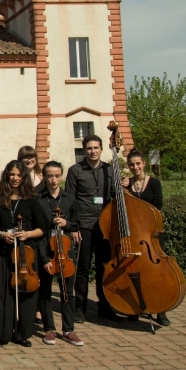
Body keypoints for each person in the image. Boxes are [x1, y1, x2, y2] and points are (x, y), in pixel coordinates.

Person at [0, 160, 49, 347]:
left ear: (24, 177)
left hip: (26, 253)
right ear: (7, 176)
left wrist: (27, 234)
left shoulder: (31, 199)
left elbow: (43, 227)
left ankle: (22, 334)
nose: (15, 178)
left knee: (26, 293)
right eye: (12, 174)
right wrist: (1, 234)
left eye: (19, 175)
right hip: (4, 251)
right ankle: (0, 333)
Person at [65, 135, 122, 323]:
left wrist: (124, 186)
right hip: (84, 225)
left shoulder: (109, 170)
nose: (93, 151)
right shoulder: (75, 170)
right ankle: (79, 308)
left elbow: (114, 195)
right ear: (84, 150)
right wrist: (73, 227)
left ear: (101, 149)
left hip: (105, 226)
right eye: (89, 148)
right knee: (82, 268)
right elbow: (70, 200)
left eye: (96, 148)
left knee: (103, 267)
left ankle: (104, 306)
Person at [37, 161, 84, 346]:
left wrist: (67, 223)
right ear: (44, 177)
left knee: (67, 292)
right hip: (46, 249)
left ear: (61, 176)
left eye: (57, 176)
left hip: (65, 252)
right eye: (49, 176)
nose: (53, 180)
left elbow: (76, 224)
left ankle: (68, 329)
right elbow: (38, 230)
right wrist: (43, 257)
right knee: (45, 291)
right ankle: (49, 328)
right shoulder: (38, 199)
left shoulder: (69, 199)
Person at [120, 148, 169, 327]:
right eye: (132, 165)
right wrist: (121, 188)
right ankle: (136, 308)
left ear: (144, 164)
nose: (135, 167)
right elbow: (121, 205)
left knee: (157, 273)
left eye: (138, 164)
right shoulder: (127, 184)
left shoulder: (154, 183)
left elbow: (158, 205)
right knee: (134, 272)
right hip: (134, 235)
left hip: (151, 234)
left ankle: (160, 310)